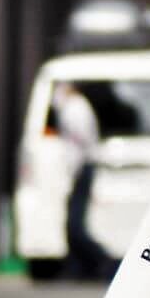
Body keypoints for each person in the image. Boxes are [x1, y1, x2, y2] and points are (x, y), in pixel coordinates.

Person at [53, 83, 116, 280]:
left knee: (75, 225)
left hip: (82, 167)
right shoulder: (78, 106)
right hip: (80, 168)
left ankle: (106, 261)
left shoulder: (75, 108)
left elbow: (83, 140)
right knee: (73, 223)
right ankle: (78, 268)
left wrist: (77, 170)